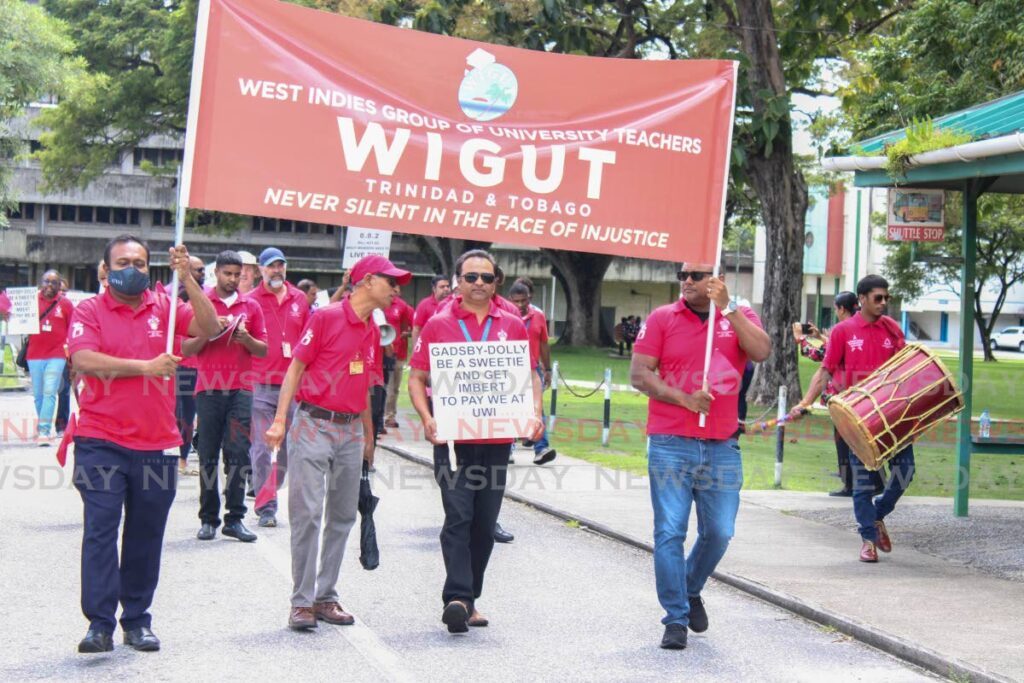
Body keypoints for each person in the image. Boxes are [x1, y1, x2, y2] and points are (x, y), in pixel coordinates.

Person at [69, 234, 220, 653]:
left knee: (145, 533)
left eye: (139, 263)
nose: (131, 269)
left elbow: (210, 328)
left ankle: (136, 620)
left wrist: (187, 279)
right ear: (104, 270)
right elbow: (83, 359)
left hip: (157, 444)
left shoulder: (167, 309)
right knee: (101, 530)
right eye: (122, 262)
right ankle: (99, 623)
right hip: (100, 440)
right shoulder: (89, 309)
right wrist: (146, 367)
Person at [630, 264, 770, 650]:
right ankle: (674, 618)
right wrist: (685, 398)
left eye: (696, 273)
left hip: (721, 443)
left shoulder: (737, 312)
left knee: (720, 531)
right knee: (670, 531)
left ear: (716, 277)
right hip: (670, 441)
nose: (687, 280)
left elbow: (761, 350)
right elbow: (639, 375)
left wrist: (729, 309)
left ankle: (690, 587)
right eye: (682, 274)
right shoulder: (662, 318)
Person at [265, 254, 408, 631]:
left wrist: (367, 435)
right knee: (307, 514)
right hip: (313, 423)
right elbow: (295, 367)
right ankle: (301, 602)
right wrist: (280, 420)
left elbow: (363, 384)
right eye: (390, 281)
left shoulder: (372, 330)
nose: (396, 290)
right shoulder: (327, 317)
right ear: (365, 282)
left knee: (343, 515)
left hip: (350, 431)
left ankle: (325, 596)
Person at [408, 249, 544, 634]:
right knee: (459, 515)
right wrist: (428, 418)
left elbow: (530, 373)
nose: (479, 284)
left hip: (498, 439)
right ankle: (457, 597)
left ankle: (469, 600)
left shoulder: (513, 322)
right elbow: (416, 378)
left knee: (484, 524)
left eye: (487, 277)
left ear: (496, 280)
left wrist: (534, 413)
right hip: (452, 440)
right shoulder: (438, 323)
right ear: (458, 281)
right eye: (471, 277)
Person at [789, 275, 912, 563]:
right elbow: (825, 371)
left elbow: (906, 367)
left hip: (892, 415)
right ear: (862, 299)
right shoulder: (844, 331)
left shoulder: (892, 329)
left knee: (906, 471)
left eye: (886, 298)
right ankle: (868, 538)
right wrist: (805, 402)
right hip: (857, 417)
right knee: (862, 481)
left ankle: (878, 513)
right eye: (878, 298)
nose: (883, 303)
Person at [183, 251, 268, 543]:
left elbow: (263, 349)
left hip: (241, 388)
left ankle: (235, 518)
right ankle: (208, 519)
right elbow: (186, 350)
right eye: (227, 274)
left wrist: (246, 339)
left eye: (237, 274)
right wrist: (209, 330)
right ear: (215, 273)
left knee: (238, 453)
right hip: (208, 388)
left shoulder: (252, 306)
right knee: (207, 455)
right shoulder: (201, 301)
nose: (232, 279)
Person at [791, 291, 882, 497]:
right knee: (867, 440)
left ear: (841, 309)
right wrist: (819, 336)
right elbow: (838, 347)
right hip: (866, 396)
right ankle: (877, 482)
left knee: (845, 441)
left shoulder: (843, 330)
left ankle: (850, 484)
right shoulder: (862, 328)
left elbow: (822, 355)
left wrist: (801, 341)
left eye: (836, 309)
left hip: (843, 398)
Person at [247, 247, 311, 527]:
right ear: (260, 270)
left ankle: (273, 485)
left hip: (294, 385)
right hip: (260, 383)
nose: (276, 271)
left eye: (280, 266)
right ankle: (266, 507)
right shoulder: (251, 301)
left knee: (289, 447)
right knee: (261, 447)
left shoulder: (299, 298)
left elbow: (311, 338)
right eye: (271, 266)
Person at [507, 281, 556, 465]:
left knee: (537, 408)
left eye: (524, 301)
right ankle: (508, 448)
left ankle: (541, 448)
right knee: (510, 408)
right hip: (509, 369)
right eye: (516, 301)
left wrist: (548, 368)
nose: (520, 305)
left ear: (530, 299)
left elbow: (544, 343)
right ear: (510, 300)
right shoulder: (503, 315)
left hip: (532, 368)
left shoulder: (538, 315)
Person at [26, 270, 74, 446]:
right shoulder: (30, 301)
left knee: (50, 392)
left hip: (57, 355)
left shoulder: (66, 304)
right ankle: (43, 426)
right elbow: (14, 316)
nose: (49, 285)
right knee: (38, 395)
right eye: (47, 281)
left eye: (54, 282)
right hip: (34, 354)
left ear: (59, 285)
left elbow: (72, 327)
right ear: (41, 282)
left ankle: (44, 431)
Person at [175, 255, 206, 475]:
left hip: (197, 368)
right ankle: (170, 454)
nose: (201, 274)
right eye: (197, 270)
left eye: (203, 271)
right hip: (175, 364)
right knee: (173, 414)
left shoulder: (206, 300)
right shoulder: (172, 298)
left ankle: (183, 459)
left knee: (188, 416)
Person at [382, 288, 415, 429]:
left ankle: (390, 416)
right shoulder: (380, 304)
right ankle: (382, 417)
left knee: (394, 388)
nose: (394, 291)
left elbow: (411, 327)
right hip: (381, 351)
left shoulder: (403, 307)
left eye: (397, 288)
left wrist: (402, 335)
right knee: (384, 386)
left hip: (398, 352)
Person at [410, 275, 451, 354]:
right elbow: (416, 329)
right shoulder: (424, 304)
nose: (446, 289)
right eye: (442, 287)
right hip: (429, 348)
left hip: (449, 349)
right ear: (434, 289)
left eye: (448, 286)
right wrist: (416, 350)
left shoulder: (454, 303)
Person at [54, 278, 74, 435]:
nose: (62, 294)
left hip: (65, 355)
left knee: (64, 391)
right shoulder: (43, 306)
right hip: (44, 356)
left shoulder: (69, 307)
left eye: (65, 291)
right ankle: (44, 425)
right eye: (60, 290)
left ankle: (61, 425)